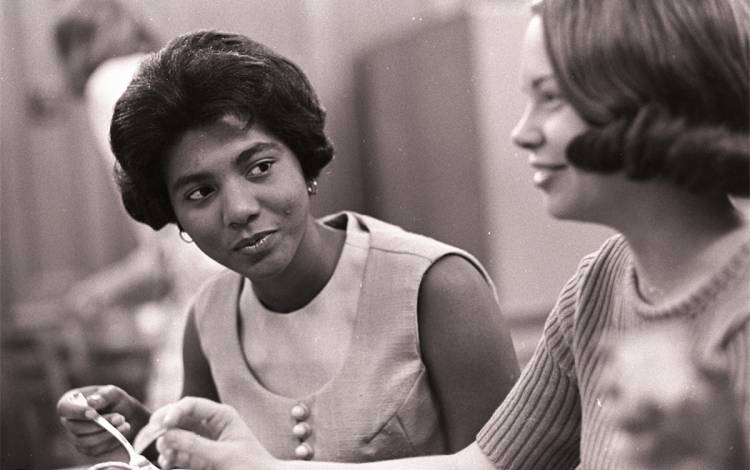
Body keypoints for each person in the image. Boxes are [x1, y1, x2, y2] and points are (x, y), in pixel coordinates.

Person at [137, 0, 750, 468]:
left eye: (550, 99)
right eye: (199, 192)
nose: (522, 132)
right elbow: (481, 465)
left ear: (648, 101)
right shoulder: (597, 286)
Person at [55, 29, 521, 464]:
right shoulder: (209, 319)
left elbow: (507, 466)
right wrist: (141, 434)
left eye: (259, 167)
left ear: (304, 161)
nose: (238, 209)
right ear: (175, 218)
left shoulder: (438, 288)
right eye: (200, 193)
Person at [54, 0, 225, 409]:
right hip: (224, 254)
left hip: (203, 273)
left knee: (172, 422)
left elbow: (164, 217)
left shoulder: (108, 83)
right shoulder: (164, 71)